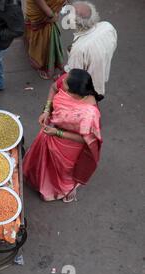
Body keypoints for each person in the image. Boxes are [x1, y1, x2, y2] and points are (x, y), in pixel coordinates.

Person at [23, 69, 103, 203]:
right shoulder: (70, 80)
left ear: (75, 94)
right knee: (42, 162)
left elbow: (86, 139)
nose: (62, 80)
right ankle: (39, 181)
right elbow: (53, 88)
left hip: (67, 147)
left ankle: (62, 191)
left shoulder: (90, 113)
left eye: (65, 82)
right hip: (50, 132)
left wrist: (57, 133)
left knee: (61, 173)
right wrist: (47, 110)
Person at [65, 1, 117, 95]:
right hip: (102, 74)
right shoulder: (107, 26)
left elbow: (75, 75)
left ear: (76, 23)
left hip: (86, 88)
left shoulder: (79, 49)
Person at [24, 0, 66, 80]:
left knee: (43, 39)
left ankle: (48, 65)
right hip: (40, 14)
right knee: (42, 37)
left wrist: (53, 13)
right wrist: (52, 14)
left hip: (46, 15)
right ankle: (50, 64)